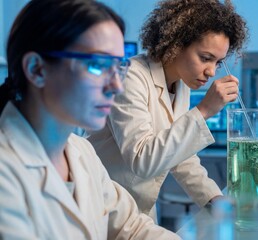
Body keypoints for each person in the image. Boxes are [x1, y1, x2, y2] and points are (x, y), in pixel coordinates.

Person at [0, 0, 180, 239]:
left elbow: (132, 228)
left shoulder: (81, 152)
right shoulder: (6, 171)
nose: (116, 86)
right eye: (97, 65)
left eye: (118, 67)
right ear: (36, 69)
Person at [88, 0, 248, 222]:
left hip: (139, 214)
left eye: (218, 62)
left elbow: (180, 154)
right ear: (175, 44)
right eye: (205, 58)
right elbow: (142, 160)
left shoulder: (179, 83)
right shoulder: (132, 77)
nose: (211, 71)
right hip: (104, 212)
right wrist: (204, 110)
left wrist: (213, 198)